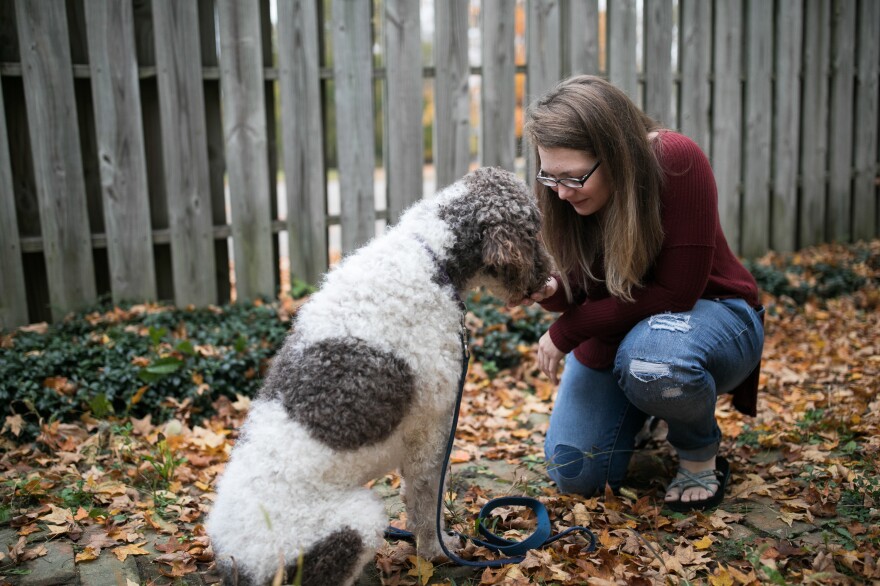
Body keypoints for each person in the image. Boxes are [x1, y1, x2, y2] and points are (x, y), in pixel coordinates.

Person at [515, 75, 764, 512]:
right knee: (575, 472)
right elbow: (579, 285)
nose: (559, 192)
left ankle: (699, 454)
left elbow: (677, 291)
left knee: (653, 360)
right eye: (550, 177)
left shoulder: (676, 160)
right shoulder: (564, 189)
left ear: (615, 154)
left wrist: (568, 329)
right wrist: (547, 288)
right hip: (625, 331)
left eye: (573, 178)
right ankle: (650, 403)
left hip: (713, 316)